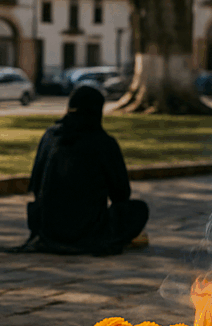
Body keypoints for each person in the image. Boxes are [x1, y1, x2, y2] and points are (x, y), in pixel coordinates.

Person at [15, 86, 148, 256]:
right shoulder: (104, 143)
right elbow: (121, 194)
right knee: (138, 209)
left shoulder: (50, 137)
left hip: (48, 229)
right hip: (89, 230)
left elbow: (35, 184)